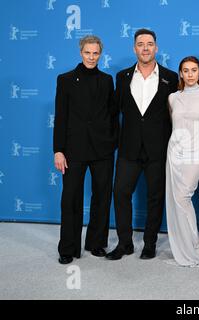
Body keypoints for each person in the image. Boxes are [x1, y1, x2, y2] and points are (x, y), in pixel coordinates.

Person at [106, 29, 178, 260]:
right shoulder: (122, 77)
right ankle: (124, 243)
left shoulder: (171, 77)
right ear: (134, 48)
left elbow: (179, 111)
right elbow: (112, 112)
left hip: (159, 149)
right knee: (120, 194)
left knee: (155, 197)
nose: (145, 48)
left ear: (156, 48)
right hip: (129, 148)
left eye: (149, 44)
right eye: (140, 44)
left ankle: (150, 243)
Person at [53, 35, 117, 264]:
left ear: (101, 54)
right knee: (70, 199)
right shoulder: (65, 79)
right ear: (81, 52)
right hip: (73, 150)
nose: (91, 57)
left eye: (96, 53)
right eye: (87, 52)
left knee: (102, 196)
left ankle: (96, 243)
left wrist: (112, 142)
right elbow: (60, 117)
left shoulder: (107, 80)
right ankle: (67, 248)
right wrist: (58, 150)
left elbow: (112, 115)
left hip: (102, 150)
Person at [165, 56, 199, 267]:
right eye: (185, 70)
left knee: (182, 197)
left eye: (193, 70)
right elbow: (174, 125)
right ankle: (185, 245)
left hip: (197, 155)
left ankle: (195, 247)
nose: (189, 74)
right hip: (175, 153)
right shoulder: (172, 98)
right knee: (177, 200)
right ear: (181, 74)